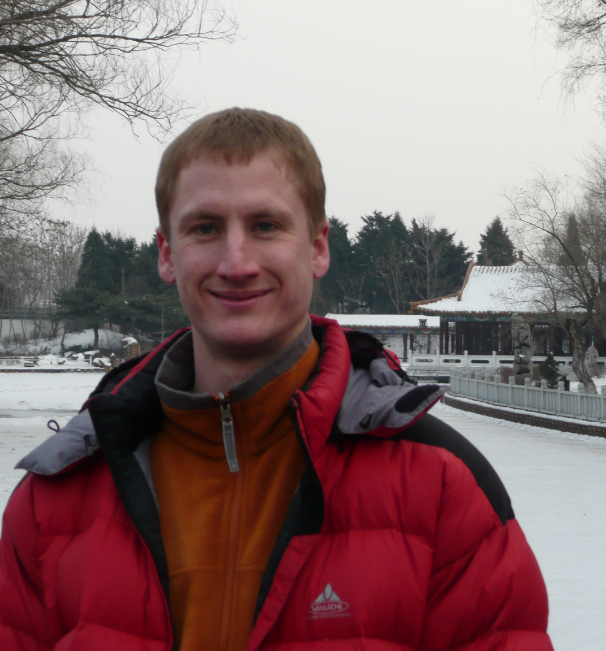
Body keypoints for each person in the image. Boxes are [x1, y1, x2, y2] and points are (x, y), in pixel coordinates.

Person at [0, 108, 552, 650]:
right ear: (167, 254)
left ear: (317, 248)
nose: (236, 263)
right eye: (205, 228)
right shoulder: (53, 504)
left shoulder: (441, 487)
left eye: (265, 226)